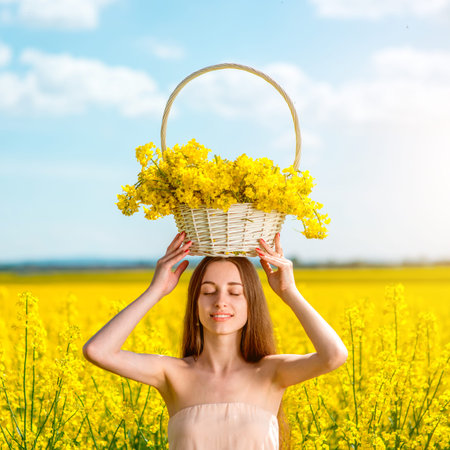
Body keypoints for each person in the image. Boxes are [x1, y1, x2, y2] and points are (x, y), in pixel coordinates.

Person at [83, 231, 348, 449]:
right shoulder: (171, 374)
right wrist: (156, 290)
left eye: (235, 293)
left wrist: (289, 292)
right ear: (195, 304)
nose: (220, 301)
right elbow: (98, 351)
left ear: (251, 303)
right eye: (208, 291)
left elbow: (334, 356)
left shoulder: (270, 372)